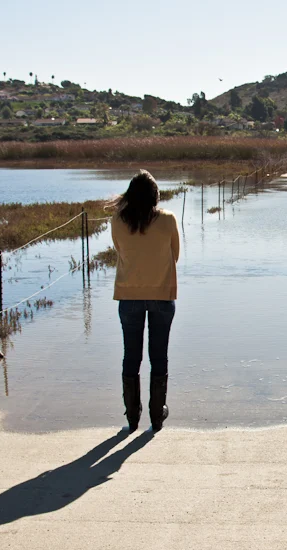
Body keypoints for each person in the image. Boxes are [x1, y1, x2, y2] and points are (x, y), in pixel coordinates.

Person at [110, 170, 180, 433]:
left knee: (131, 355)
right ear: (155, 196)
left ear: (130, 195)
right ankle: (157, 416)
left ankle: (132, 417)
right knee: (158, 355)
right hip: (162, 294)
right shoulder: (168, 220)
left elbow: (120, 250)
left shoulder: (117, 220)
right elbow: (175, 255)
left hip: (129, 295)